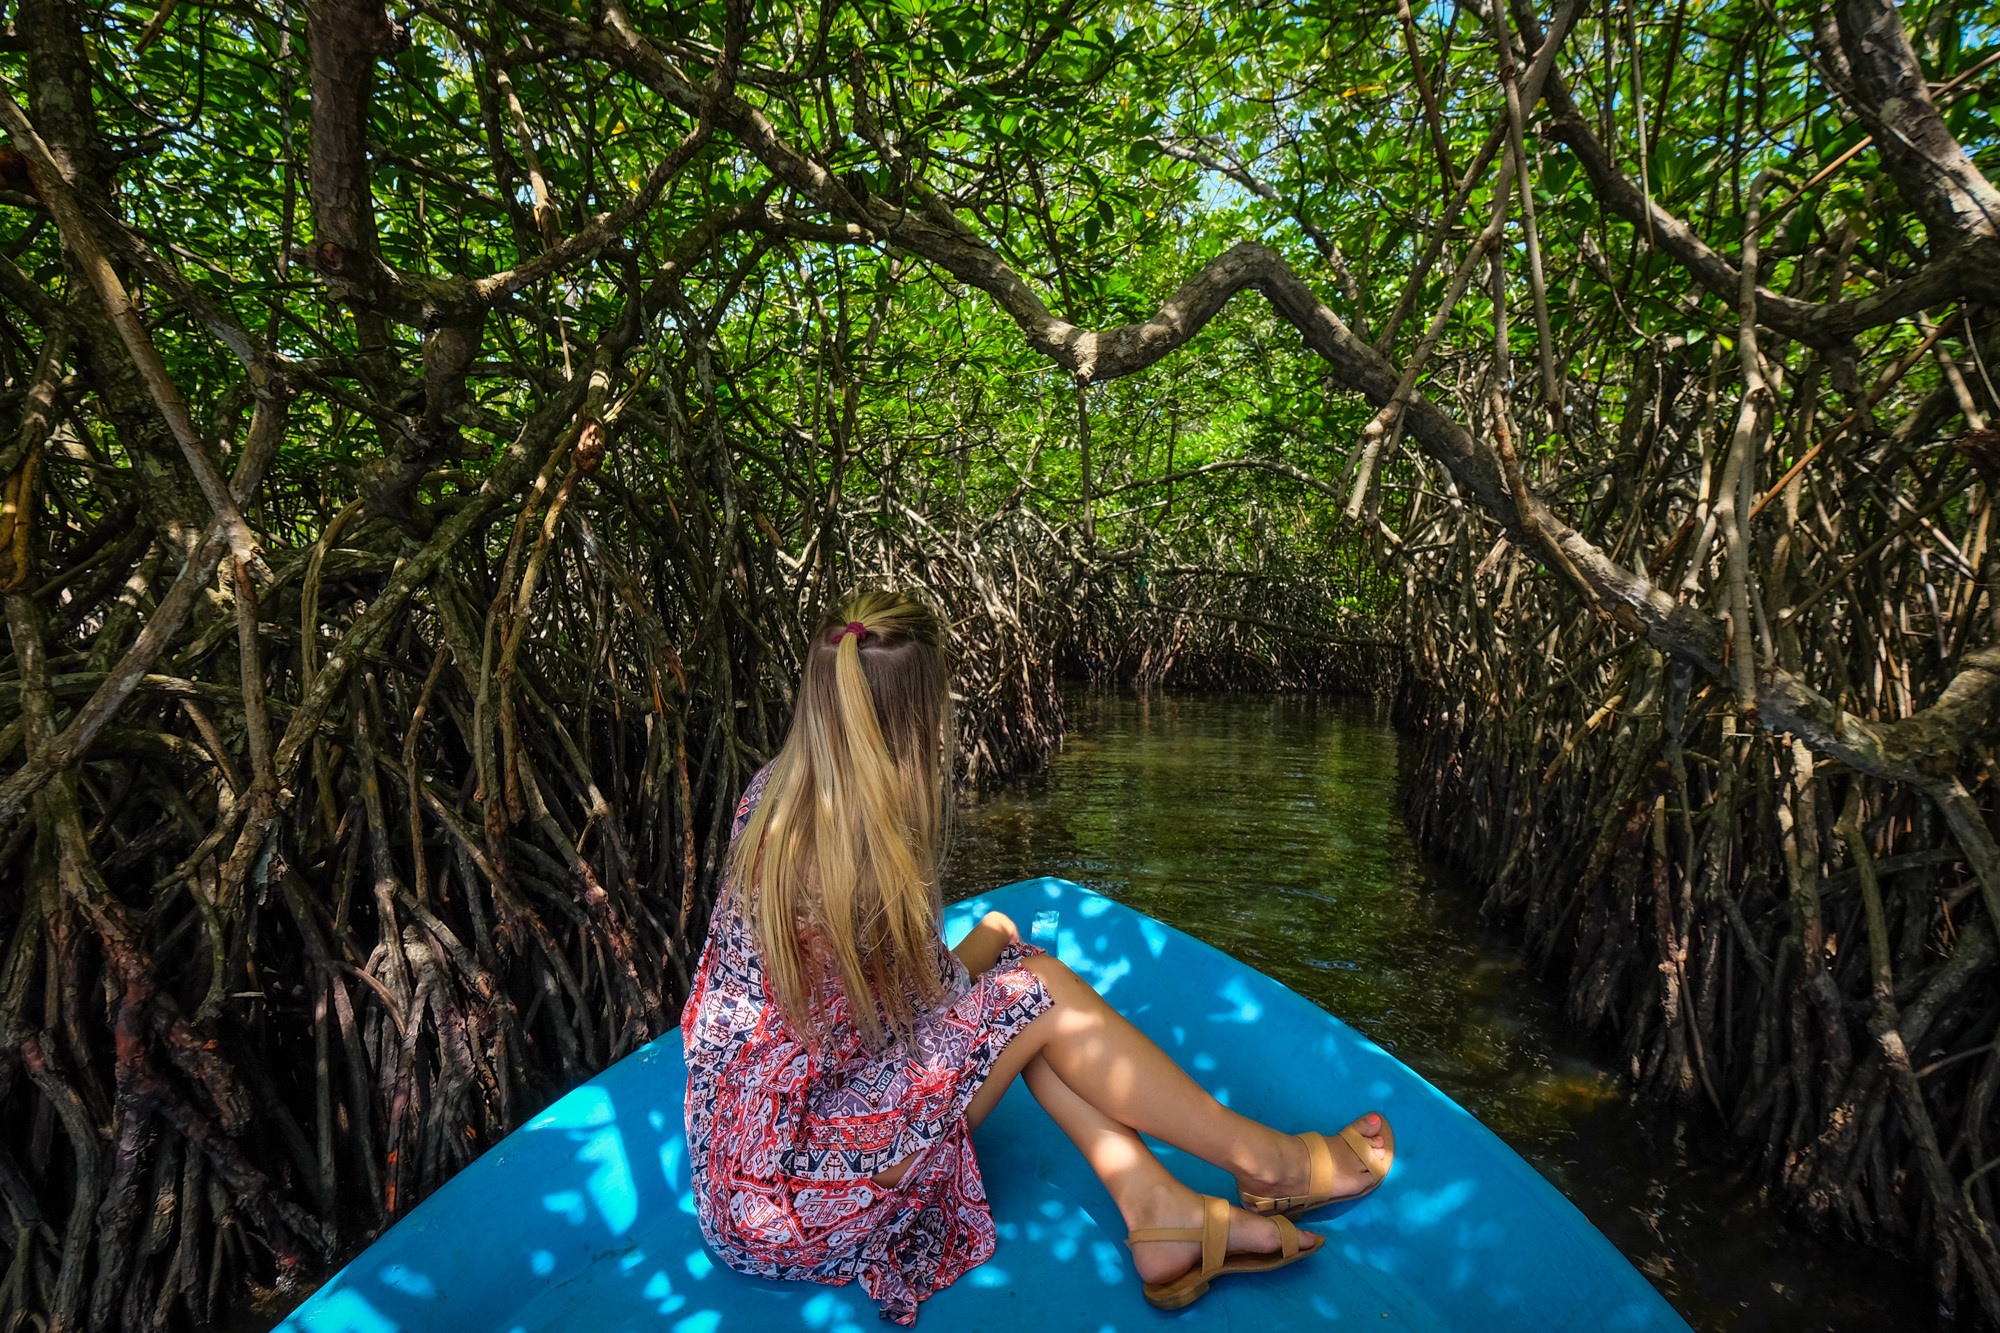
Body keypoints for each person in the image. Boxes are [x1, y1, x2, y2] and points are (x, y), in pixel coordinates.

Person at [681, 588, 1394, 1324]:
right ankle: (1268, 1164)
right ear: (920, 717)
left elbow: (881, 1014)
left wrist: (989, 955)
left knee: (1021, 1000)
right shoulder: (862, 857)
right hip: (810, 1201)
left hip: (743, 1182)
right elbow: (936, 999)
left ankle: (1160, 1210)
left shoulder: (773, 795)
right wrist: (991, 938)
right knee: (1038, 987)